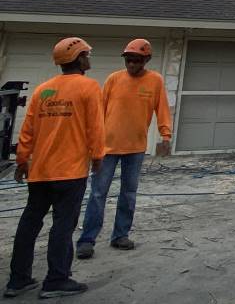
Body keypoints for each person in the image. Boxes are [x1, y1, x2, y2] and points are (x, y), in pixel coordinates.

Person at [6, 37, 105, 299]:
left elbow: (27, 130)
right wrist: (98, 156)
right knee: (62, 226)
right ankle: (57, 280)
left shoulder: (43, 90)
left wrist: (22, 161)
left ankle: (18, 280)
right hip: (70, 172)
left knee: (29, 223)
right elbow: (96, 126)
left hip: (39, 171)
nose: (89, 59)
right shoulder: (89, 87)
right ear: (79, 58)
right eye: (87, 54)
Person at [76, 39, 172, 260]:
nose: (131, 64)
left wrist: (165, 135)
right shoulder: (113, 79)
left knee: (128, 193)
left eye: (136, 60)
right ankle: (87, 240)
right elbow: (99, 111)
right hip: (107, 147)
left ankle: (120, 235)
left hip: (136, 148)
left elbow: (162, 109)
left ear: (146, 60)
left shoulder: (155, 81)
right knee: (98, 193)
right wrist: (92, 141)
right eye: (128, 59)